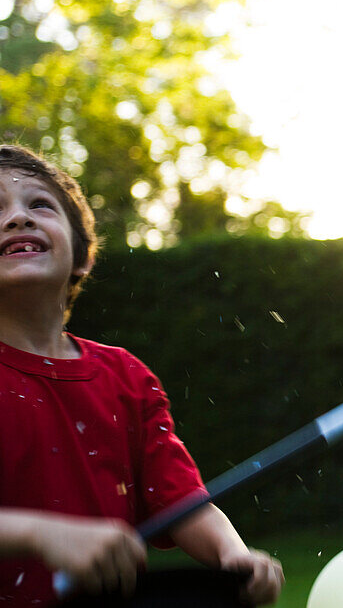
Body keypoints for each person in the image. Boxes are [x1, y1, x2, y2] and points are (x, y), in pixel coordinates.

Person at [0, 144, 284, 605]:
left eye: (39, 205)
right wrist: (39, 534)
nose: (18, 218)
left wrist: (233, 555)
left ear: (83, 258)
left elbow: (180, 500)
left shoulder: (126, 377)